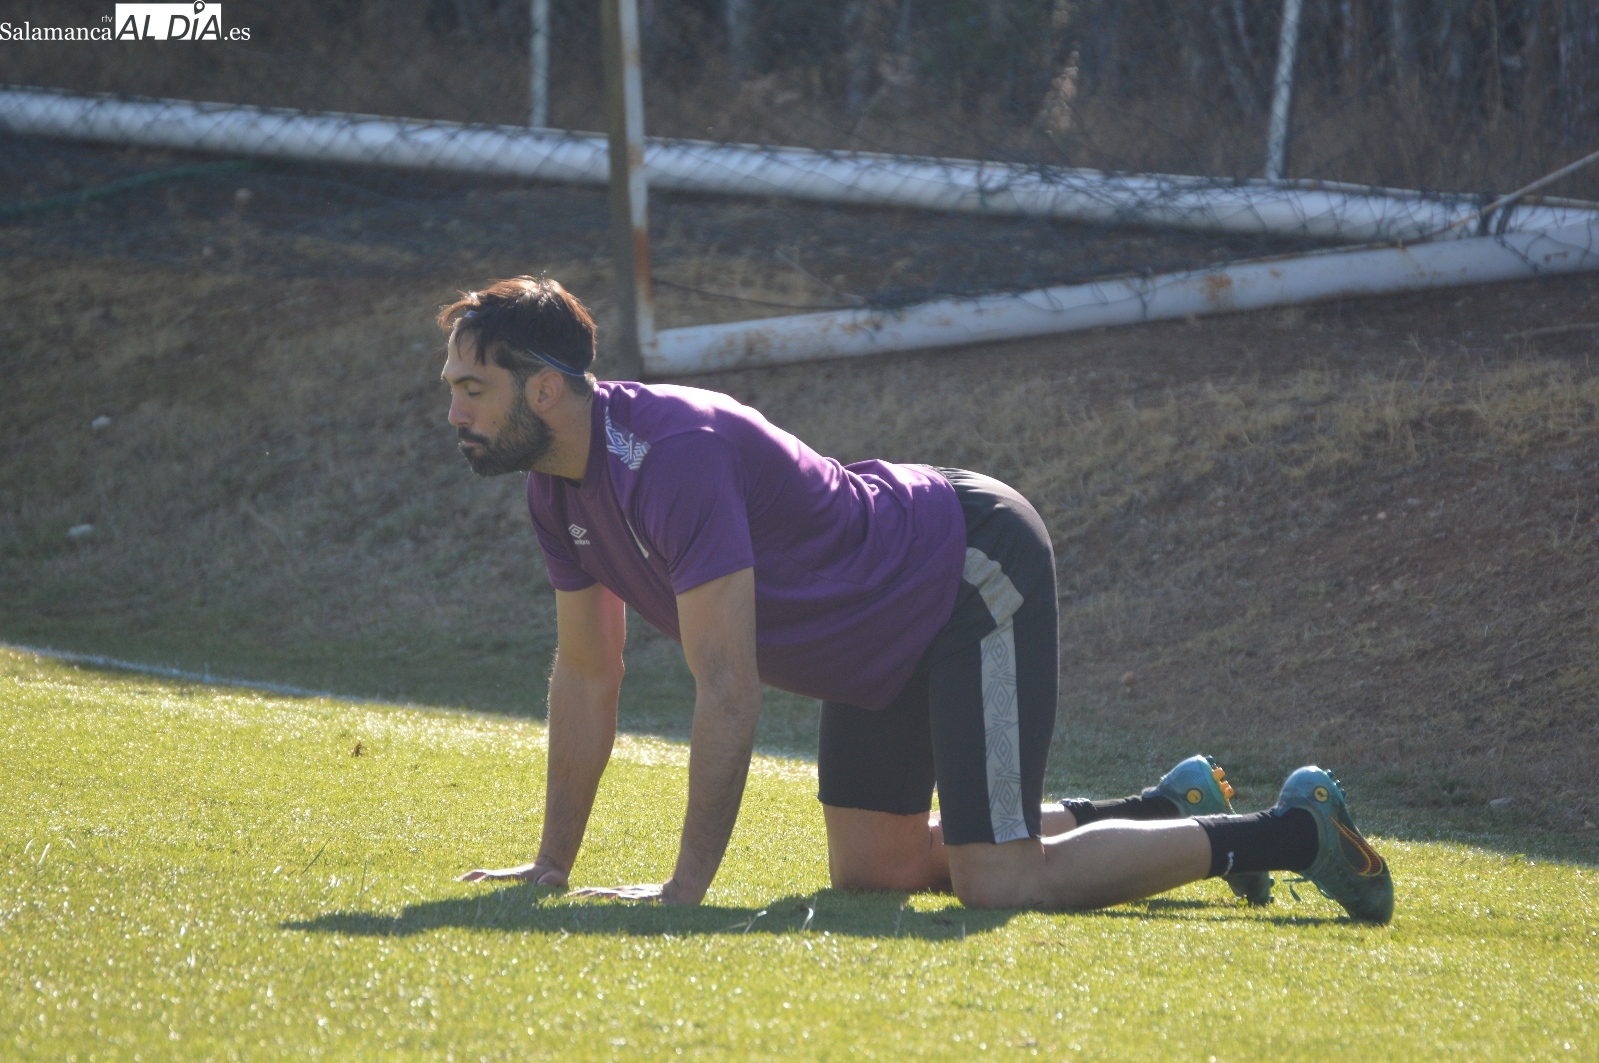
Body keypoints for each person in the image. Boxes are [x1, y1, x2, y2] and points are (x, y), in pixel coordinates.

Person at [445, 276, 1393, 923]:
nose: (455, 413)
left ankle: (1289, 831)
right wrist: (552, 867)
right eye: (452, 388)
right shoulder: (554, 489)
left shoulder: (672, 457)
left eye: (472, 389)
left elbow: (729, 688)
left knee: (1000, 882)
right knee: (874, 872)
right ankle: (1157, 805)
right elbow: (585, 672)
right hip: (873, 632)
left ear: (545, 387)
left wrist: (683, 890)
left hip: (962, 568)